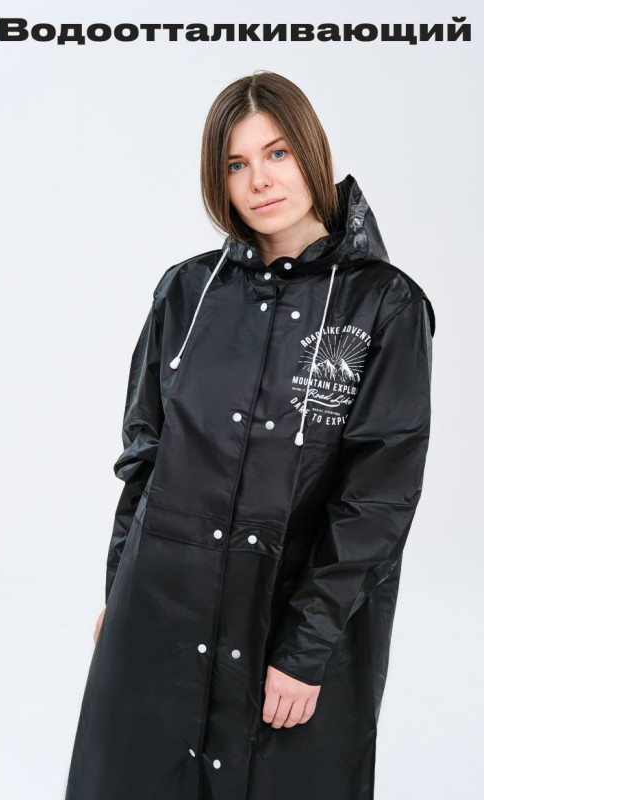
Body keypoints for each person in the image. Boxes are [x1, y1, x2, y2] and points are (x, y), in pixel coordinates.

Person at [65, 71, 436, 800]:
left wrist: (305, 650)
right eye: (236, 164)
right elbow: (144, 458)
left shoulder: (384, 304)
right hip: (159, 614)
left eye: (277, 153)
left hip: (286, 629)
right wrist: (120, 591)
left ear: (311, 154)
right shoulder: (186, 291)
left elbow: (377, 498)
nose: (259, 180)